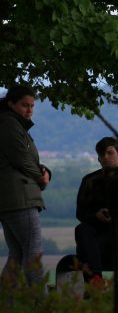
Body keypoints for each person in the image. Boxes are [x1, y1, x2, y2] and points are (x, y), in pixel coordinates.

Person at [0, 84, 50, 289]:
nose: (29, 110)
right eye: (24, 105)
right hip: (20, 197)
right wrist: (41, 177)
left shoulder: (11, 123)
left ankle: (8, 304)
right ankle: (42, 304)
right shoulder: (9, 124)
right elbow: (21, 159)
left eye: (31, 106)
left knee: (18, 254)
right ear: (11, 103)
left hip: (11, 198)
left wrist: (44, 171)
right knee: (33, 252)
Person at [74, 137, 118, 286]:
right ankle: (96, 280)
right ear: (98, 158)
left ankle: (94, 284)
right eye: (102, 154)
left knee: (84, 250)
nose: (106, 157)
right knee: (82, 230)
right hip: (98, 232)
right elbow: (80, 213)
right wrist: (96, 216)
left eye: (110, 153)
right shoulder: (89, 180)